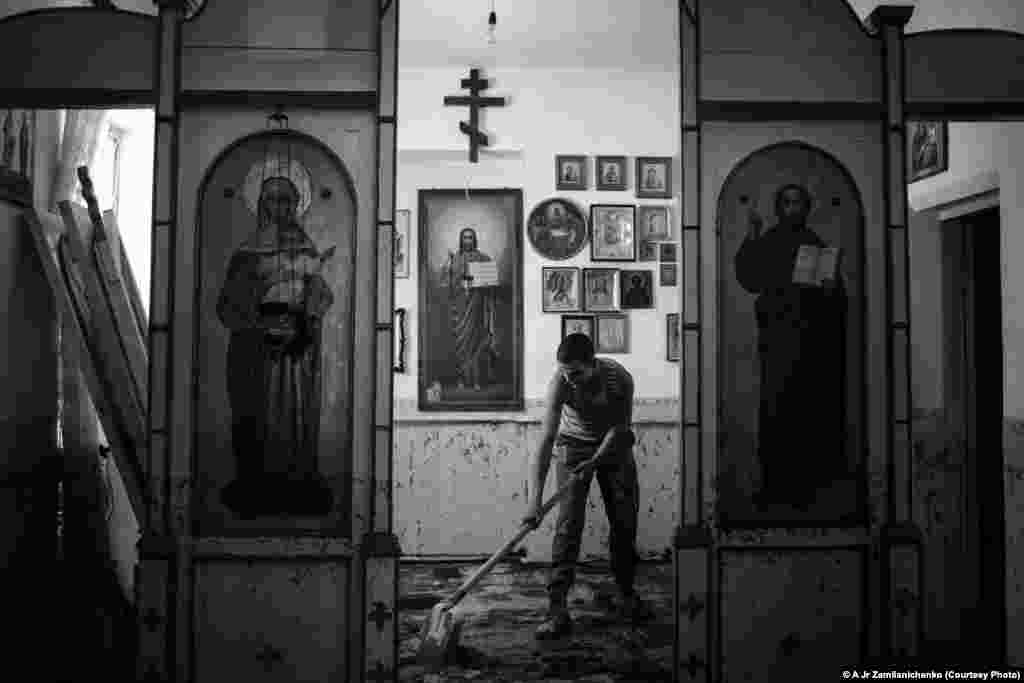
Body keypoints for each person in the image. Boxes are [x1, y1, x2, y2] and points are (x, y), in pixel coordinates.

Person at [217, 176, 335, 517]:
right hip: (258, 352)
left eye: (287, 201)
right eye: (273, 201)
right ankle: (256, 485)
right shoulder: (246, 254)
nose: (280, 208)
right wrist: (261, 320)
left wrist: (305, 313)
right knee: (259, 415)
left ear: (297, 205)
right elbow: (226, 307)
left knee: (295, 416)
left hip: (296, 353)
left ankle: (297, 482)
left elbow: (322, 295)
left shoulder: (305, 248)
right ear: (261, 205)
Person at [523, 333, 652, 639]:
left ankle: (625, 594)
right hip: (573, 446)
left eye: (577, 373)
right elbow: (546, 441)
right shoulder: (561, 383)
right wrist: (533, 502)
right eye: (566, 373)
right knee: (568, 526)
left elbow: (620, 431)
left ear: (593, 364)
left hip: (613, 445)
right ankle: (556, 610)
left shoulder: (619, 379)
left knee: (624, 520)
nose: (572, 380)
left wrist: (595, 462)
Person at [733, 183, 847, 510]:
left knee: (807, 415)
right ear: (779, 207)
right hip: (779, 338)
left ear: (807, 207)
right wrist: (752, 237)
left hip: (811, 341)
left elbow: (835, 297)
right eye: (787, 202)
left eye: (798, 202)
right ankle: (774, 487)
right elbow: (750, 278)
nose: (793, 208)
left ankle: (805, 490)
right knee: (775, 411)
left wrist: (830, 289)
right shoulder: (769, 240)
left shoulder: (814, 243)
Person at [443, 227, 498, 390]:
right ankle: (462, 378)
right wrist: (448, 267)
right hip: (460, 307)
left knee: (476, 342)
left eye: (471, 237)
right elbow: (446, 283)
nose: (468, 241)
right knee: (461, 344)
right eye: (465, 238)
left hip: (477, 306)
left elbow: (491, 286)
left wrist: (482, 284)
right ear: (461, 240)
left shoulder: (484, 258)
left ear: (475, 239)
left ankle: (477, 380)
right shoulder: (455, 259)